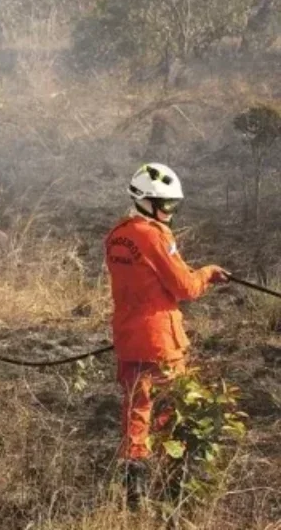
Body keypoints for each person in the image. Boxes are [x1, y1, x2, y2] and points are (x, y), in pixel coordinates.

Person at [104, 163, 229, 509]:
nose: (171, 212)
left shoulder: (116, 234)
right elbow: (185, 287)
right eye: (168, 205)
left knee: (135, 412)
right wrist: (207, 273)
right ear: (147, 200)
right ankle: (175, 485)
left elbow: (146, 278)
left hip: (129, 338)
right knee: (171, 411)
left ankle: (135, 491)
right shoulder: (156, 236)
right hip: (161, 341)